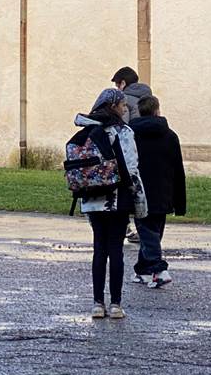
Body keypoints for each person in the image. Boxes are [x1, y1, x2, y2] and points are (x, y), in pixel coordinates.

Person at [72, 88, 147, 320]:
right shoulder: (123, 132)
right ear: (113, 105)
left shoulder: (87, 131)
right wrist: (139, 200)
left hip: (92, 198)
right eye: (122, 105)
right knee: (115, 250)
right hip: (117, 198)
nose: (125, 109)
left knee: (99, 249)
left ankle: (97, 303)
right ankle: (115, 304)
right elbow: (131, 168)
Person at [129, 95, 187, 288]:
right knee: (153, 232)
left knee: (147, 231)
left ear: (139, 111)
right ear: (157, 110)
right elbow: (178, 169)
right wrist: (179, 201)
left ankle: (158, 269)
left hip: (140, 190)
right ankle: (143, 269)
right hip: (164, 191)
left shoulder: (131, 135)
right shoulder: (170, 136)